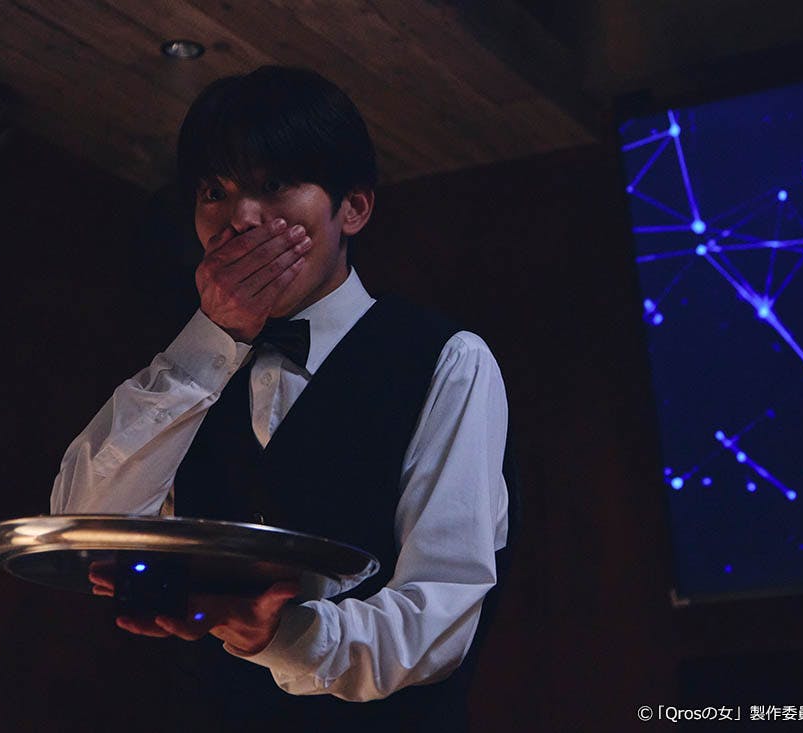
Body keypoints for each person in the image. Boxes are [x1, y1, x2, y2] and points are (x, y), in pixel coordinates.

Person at [50, 66, 509, 731]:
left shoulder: (449, 360)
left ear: (354, 207)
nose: (240, 218)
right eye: (215, 191)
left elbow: (438, 614)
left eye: (273, 185)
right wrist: (212, 338)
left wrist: (281, 635)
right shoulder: (192, 364)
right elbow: (82, 525)